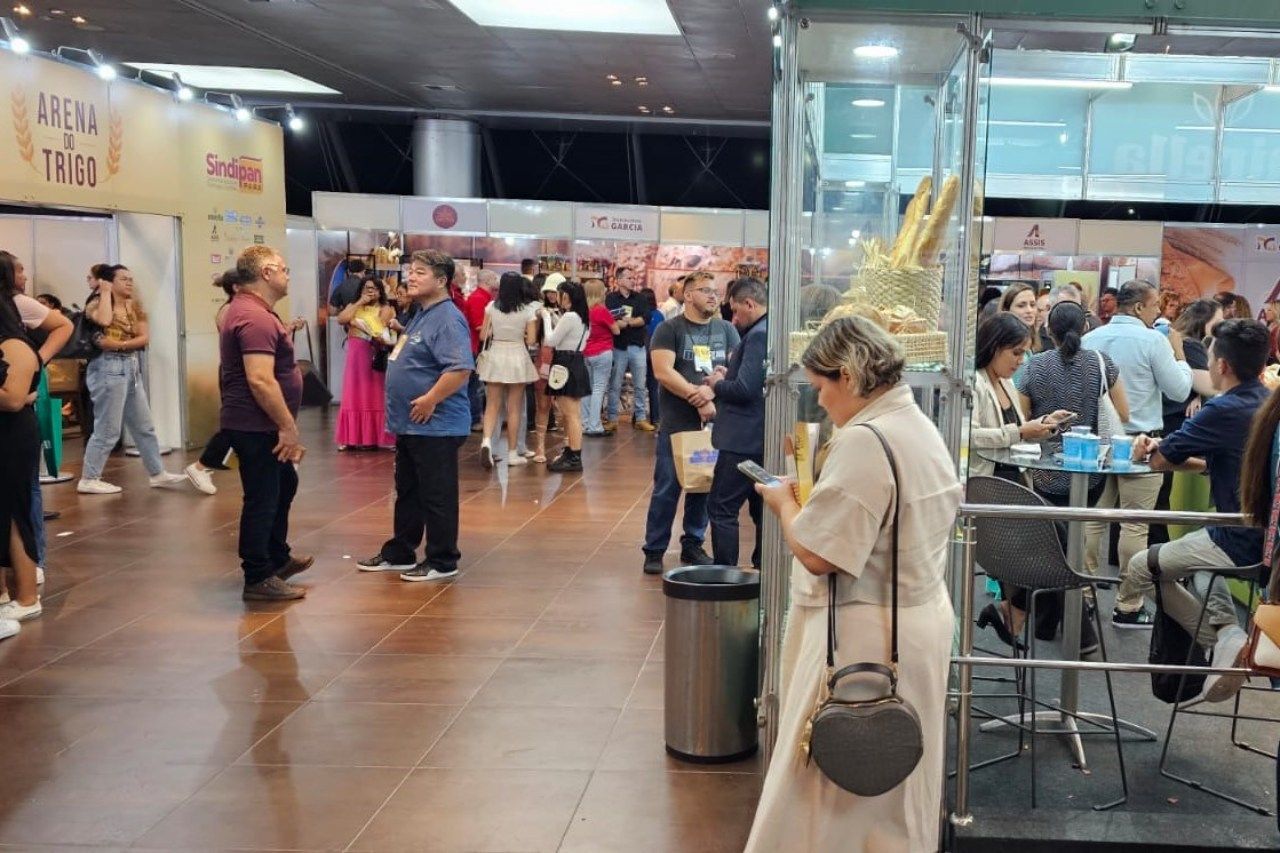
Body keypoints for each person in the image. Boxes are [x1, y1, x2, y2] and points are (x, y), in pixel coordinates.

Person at [744, 316, 960, 853]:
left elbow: (819, 554)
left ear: (848, 375)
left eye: (821, 388)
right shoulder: (917, 424)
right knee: (899, 780)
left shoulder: (867, 438)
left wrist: (783, 504)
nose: (820, 403)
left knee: (836, 785)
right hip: (916, 621)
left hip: (864, 634)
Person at [1121, 319, 1271, 700]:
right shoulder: (1265, 403)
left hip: (1235, 535)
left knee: (1141, 567)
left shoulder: (1223, 409)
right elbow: (1209, 462)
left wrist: (1149, 447)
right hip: (1267, 539)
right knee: (1199, 568)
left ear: (1221, 365)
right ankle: (1225, 634)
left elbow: (1160, 461)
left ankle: (1225, 642)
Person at [1017, 301, 1129, 646]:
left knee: (1050, 547)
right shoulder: (1101, 363)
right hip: (1089, 474)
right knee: (1069, 545)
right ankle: (1058, 622)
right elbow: (1122, 412)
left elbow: (1023, 424)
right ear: (1085, 328)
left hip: (1044, 472)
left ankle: (1052, 624)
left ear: (1047, 329)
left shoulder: (1033, 367)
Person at [359, 250, 473, 582]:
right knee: (408, 490)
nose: (411, 277)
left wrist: (430, 399)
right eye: (411, 271)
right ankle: (401, 552)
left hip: (436, 424)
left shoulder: (448, 318)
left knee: (437, 494)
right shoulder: (422, 312)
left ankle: (442, 559)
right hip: (412, 424)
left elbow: (460, 368)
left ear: (441, 280)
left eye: (420, 273)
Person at [1082, 279, 1192, 623]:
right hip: (1143, 443)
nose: (1159, 310)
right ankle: (1127, 606)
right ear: (1140, 307)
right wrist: (1180, 355)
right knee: (1134, 525)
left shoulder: (1090, 338)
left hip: (1098, 440)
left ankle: (1082, 598)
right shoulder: (1153, 341)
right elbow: (1178, 390)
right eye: (1155, 304)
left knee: (1092, 521)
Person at [971, 313, 1069, 646]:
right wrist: (1020, 430)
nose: (1020, 360)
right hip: (985, 488)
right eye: (1015, 352)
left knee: (1058, 537)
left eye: (1024, 352)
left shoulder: (1006, 384)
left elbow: (1014, 434)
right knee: (1053, 539)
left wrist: (1042, 424)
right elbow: (969, 436)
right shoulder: (975, 383)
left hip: (1013, 485)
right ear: (994, 347)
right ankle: (1017, 613)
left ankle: (1014, 611)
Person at [219, 246, 311, 601]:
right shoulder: (254, 317)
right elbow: (260, 379)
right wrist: (287, 427)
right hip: (256, 425)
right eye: (284, 269)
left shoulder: (255, 311)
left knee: (283, 485)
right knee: (263, 498)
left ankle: (276, 558)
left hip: (260, 423)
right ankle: (258, 576)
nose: (288, 275)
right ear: (267, 272)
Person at [642, 275, 739, 575]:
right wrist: (698, 398)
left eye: (716, 291)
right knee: (667, 488)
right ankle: (655, 548)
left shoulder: (727, 330)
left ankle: (693, 543)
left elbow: (734, 370)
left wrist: (712, 392)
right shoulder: (669, 329)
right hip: (677, 423)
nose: (713, 296)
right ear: (687, 295)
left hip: (715, 425)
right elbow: (663, 371)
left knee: (704, 486)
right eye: (705, 291)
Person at [77, 264, 190, 495]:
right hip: (107, 368)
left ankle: (157, 473)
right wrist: (105, 292)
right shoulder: (96, 304)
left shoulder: (135, 306)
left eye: (131, 279)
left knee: (143, 426)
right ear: (109, 282)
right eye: (123, 279)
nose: (129, 283)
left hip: (130, 366)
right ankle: (89, 478)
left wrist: (118, 345)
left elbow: (144, 338)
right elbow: (105, 322)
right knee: (108, 428)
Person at [2, 251, 72, 584]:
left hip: (16, 420)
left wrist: (36, 361)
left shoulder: (19, 310)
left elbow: (63, 326)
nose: (25, 275)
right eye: (19, 269)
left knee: (22, 495)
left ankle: (34, 565)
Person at [707, 277, 768, 569]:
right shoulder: (765, 329)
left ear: (749, 304)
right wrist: (729, 372)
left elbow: (745, 390)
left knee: (722, 507)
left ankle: (725, 574)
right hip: (757, 436)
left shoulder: (758, 334)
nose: (734, 318)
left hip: (742, 439)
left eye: (735, 311)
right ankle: (762, 568)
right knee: (761, 509)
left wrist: (719, 383)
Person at [0, 253, 43, 631]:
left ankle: (27, 596)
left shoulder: (13, 342)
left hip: (12, 435)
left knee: (15, 515)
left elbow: (13, 398)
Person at [477, 272, 539, 468]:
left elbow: (483, 335)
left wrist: (497, 330)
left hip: (496, 354)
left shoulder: (491, 307)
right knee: (514, 408)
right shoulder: (528, 311)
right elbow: (531, 340)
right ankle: (512, 453)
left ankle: (486, 441)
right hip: (517, 356)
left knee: (492, 405)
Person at [334, 276, 396, 451]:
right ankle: (350, 438)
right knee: (353, 391)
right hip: (355, 353)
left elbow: (378, 327)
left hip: (374, 352)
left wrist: (357, 323)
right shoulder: (354, 306)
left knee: (375, 392)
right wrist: (360, 302)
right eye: (367, 288)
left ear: (380, 291)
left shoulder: (386, 308)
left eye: (374, 288)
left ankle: (379, 437)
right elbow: (341, 319)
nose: (371, 291)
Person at [544, 280, 592, 473]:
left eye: (560, 294)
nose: (557, 298)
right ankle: (572, 452)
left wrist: (547, 319)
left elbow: (551, 340)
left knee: (569, 414)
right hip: (577, 362)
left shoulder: (570, 316)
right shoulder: (582, 317)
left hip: (564, 363)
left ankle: (574, 455)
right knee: (574, 413)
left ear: (568, 296)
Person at [604, 266, 655, 434]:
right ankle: (612, 418)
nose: (633, 280)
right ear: (619, 280)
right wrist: (628, 321)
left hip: (638, 346)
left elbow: (645, 318)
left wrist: (627, 322)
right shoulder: (611, 298)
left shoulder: (640, 298)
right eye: (629, 278)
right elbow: (611, 320)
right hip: (618, 347)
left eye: (634, 278)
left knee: (640, 385)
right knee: (615, 384)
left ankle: (640, 418)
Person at [530, 273, 565, 463]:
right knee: (542, 404)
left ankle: (568, 445)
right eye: (549, 292)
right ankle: (540, 446)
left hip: (563, 360)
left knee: (565, 406)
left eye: (555, 292)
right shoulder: (540, 312)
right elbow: (534, 338)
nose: (552, 296)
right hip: (544, 359)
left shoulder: (569, 313)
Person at [582, 278, 619, 438]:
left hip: (586, 352)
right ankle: (595, 425)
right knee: (598, 389)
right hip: (602, 352)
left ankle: (584, 423)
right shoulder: (601, 310)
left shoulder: (583, 310)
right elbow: (616, 330)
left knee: (587, 389)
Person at [463, 267, 496, 432]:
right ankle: (474, 419)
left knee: (476, 385)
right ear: (488, 281)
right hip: (474, 347)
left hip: (476, 346)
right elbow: (479, 326)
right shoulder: (478, 299)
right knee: (474, 385)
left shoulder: (484, 298)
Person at [1000, 282, 1041, 354]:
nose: (1029, 310)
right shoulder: (1002, 346)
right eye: (1021, 306)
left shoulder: (1034, 341)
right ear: (1006, 309)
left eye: (1032, 305)